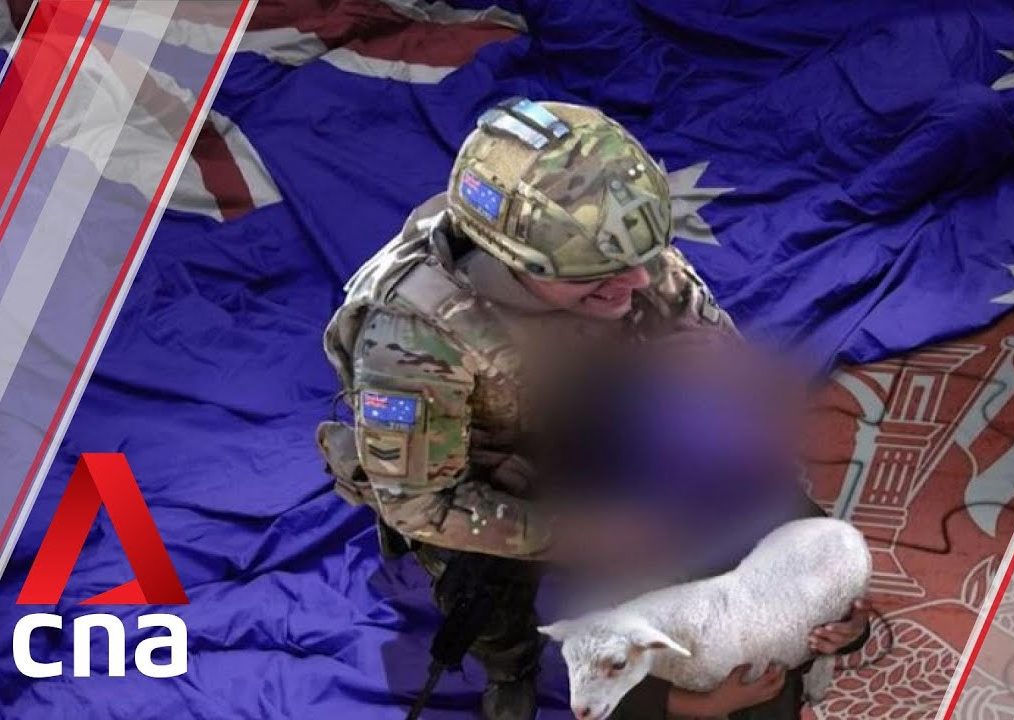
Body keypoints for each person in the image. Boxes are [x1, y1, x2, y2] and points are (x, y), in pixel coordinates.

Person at [317, 97, 870, 720]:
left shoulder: (610, 249)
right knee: (484, 595)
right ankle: (511, 663)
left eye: (640, 260)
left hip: (599, 424)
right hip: (487, 478)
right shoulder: (413, 340)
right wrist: (582, 535)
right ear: (514, 263)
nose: (638, 283)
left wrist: (723, 368)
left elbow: (721, 360)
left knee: (734, 498)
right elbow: (422, 504)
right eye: (598, 277)